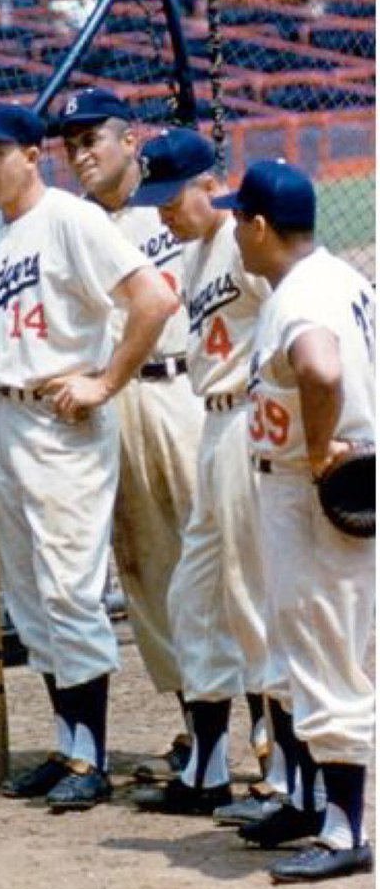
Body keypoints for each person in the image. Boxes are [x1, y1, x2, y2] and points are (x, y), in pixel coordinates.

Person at [0, 101, 177, 811]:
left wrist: (106, 381)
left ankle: (94, 757)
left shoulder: (73, 220)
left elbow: (154, 299)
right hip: (6, 418)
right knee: (30, 595)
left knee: (71, 589)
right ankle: (68, 745)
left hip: (63, 422)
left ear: (31, 155)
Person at [213, 160, 374, 884]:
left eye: (236, 220)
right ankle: (310, 804)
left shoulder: (302, 294)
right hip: (313, 486)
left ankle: (345, 828)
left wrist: (315, 452)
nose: (232, 234)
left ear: (257, 226)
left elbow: (321, 370)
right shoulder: (338, 276)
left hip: (320, 492)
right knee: (295, 648)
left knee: (326, 653)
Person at [55, 88, 217, 781]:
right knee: (148, 571)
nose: (82, 154)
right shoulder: (75, 224)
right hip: (116, 402)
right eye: (71, 145)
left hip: (187, 391)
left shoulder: (175, 206)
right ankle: (199, 732)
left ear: (131, 141)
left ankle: (269, 735)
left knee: (219, 561)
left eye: (93, 139)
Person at [121, 129, 275, 821]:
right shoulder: (194, 252)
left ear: (207, 184)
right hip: (209, 421)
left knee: (251, 597)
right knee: (193, 598)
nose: (161, 214)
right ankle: (209, 772)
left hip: (249, 418)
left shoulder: (248, 244)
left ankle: (285, 774)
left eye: (170, 198)